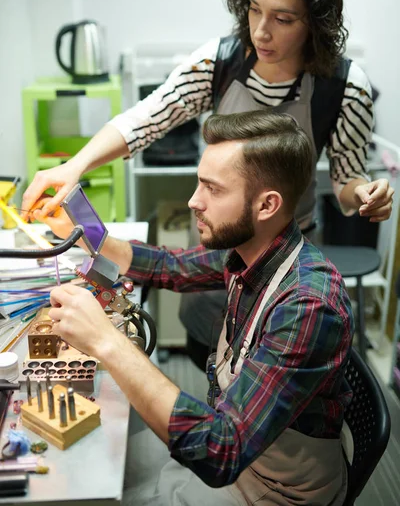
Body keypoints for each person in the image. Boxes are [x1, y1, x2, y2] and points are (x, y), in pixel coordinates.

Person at [22, 0, 394, 370]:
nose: (261, 31)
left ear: (315, 21)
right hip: (221, 244)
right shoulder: (217, 64)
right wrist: (75, 165)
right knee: (211, 344)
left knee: (270, 361)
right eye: (254, 9)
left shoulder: (344, 87)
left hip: (282, 250)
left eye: (283, 18)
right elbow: (147, 118)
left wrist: (366, 194)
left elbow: (347, 178)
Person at [35, 111, 353, 506]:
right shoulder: (252, 250)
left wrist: (105, 342)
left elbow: (222, 451)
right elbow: (172, 266)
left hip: (274, 489)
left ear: (267, 205)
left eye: (212, 189)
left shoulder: (307, 307)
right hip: (244, 455)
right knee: (95, 471)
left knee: (92, 490)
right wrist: (86, 235)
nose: (193, 201)